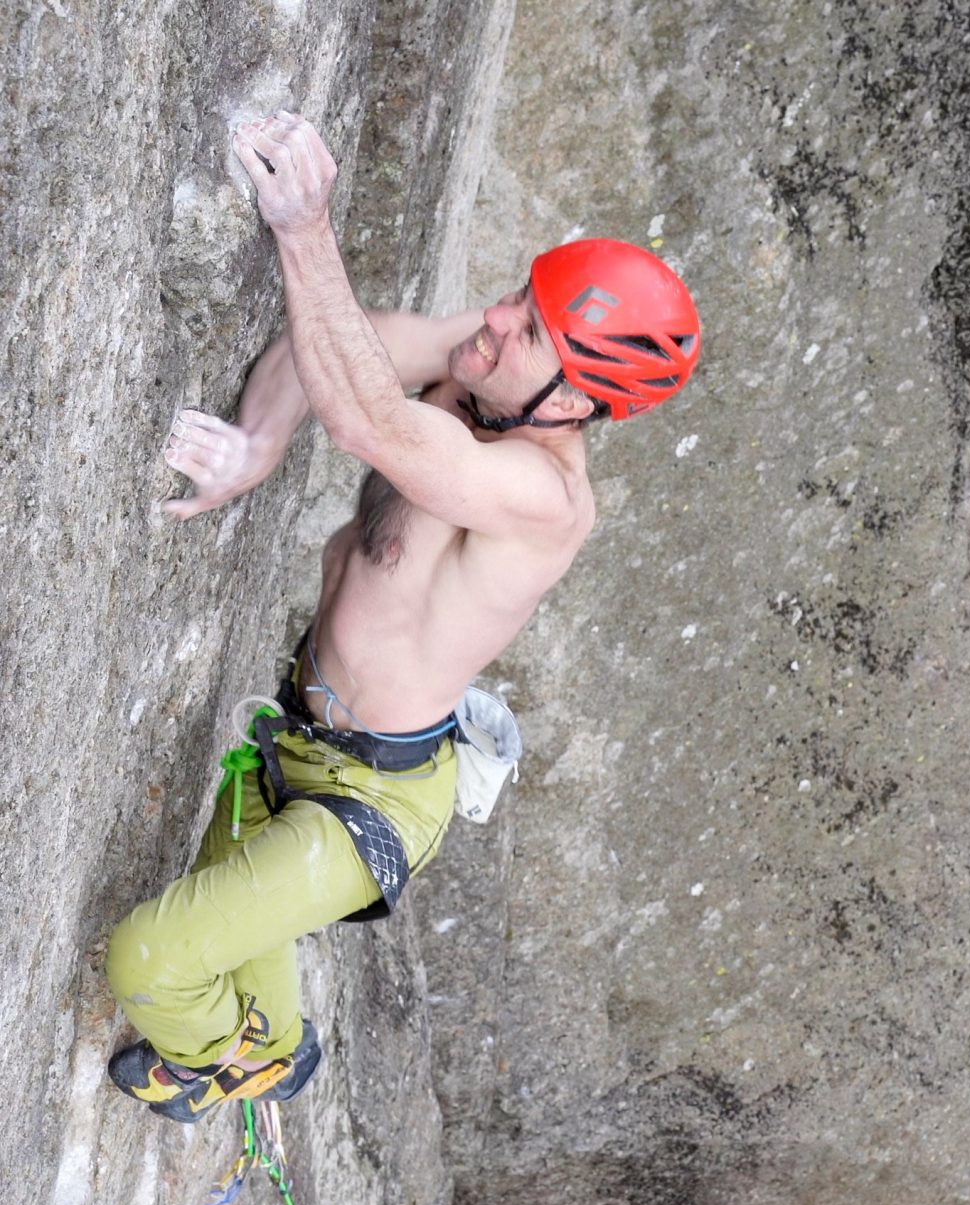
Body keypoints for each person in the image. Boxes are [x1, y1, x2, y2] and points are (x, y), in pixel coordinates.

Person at [105, 111, 701, 1122]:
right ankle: (282, 1045)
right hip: (304, 729)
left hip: (373, 803)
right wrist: (255, 444)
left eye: (531, 333)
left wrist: (306, 229)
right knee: (240, 917)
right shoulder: (484, 366)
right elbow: (348, 345)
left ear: (572, 403)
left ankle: (226, 1059)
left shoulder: (542, 501)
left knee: (150, 954)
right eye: (521, 295)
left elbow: (367, 415)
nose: (498, 321)